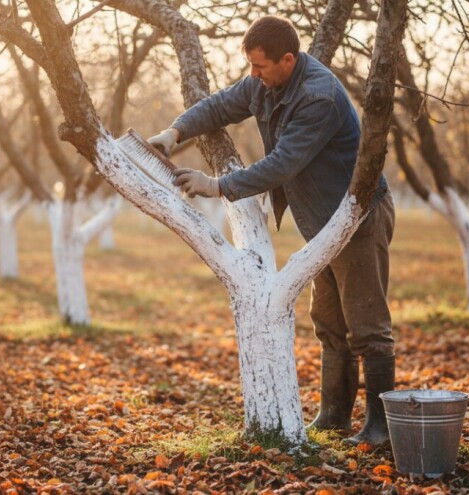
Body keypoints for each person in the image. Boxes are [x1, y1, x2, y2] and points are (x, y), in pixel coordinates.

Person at [147, 15, 395, 446]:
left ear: (288, 60)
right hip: (322, 222)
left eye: (259, 66)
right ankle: (334, 417)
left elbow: (284, 163)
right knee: (329, 322)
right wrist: (175, 132)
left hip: (356, 220)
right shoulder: (266, 82)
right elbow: (221, 105)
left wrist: (217, 185)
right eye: (251, 65)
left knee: (367, 326)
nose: (253, 74)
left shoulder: (318, 97)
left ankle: (380, 427)